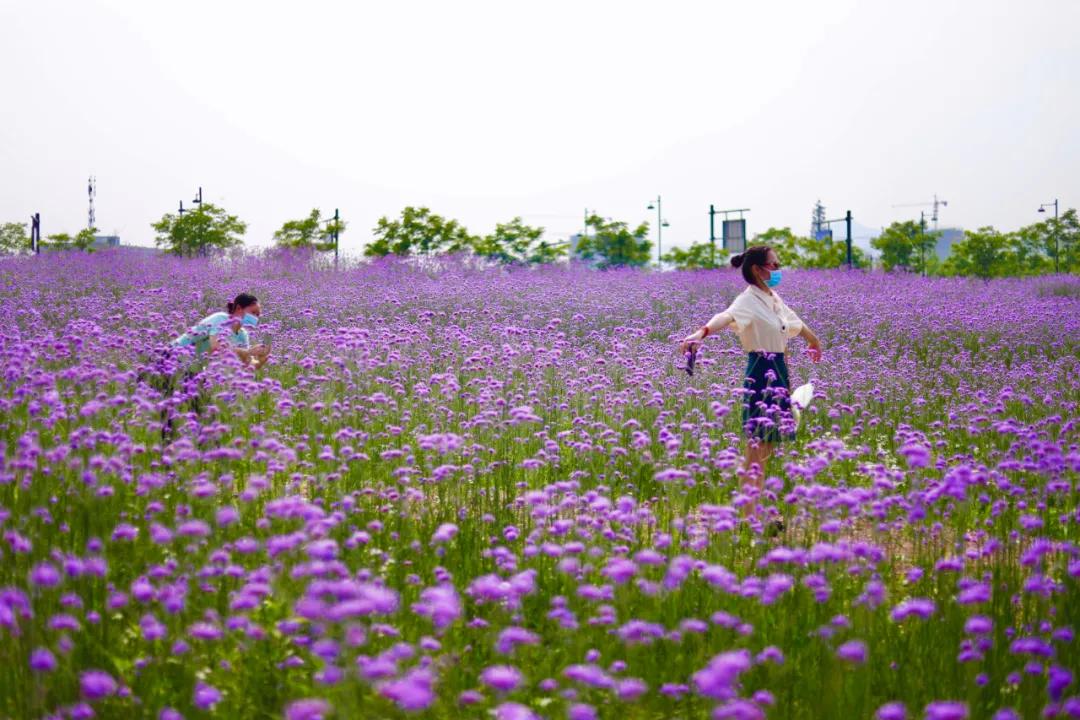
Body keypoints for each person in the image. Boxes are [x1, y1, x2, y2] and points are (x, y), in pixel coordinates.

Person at [679, 245, 823, 493]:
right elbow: (726, 316)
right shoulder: (747, 300)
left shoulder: (772, 298)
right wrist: (702, 332)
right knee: (757, 447)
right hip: (761, 371)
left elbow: (793, 322)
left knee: (768, 444)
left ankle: (754, 503)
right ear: (757, 269)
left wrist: (814, 340)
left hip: (779, 370)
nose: (778, 269)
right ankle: (748, 507)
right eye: (774, 265)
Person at [173, 293, 270, 368]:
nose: (255, 317)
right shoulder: (221, 319)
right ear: (239, 308)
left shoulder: (242, 334)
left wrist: (260, 360)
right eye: (253, 312)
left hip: (193, 367)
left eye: (258, 315)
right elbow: (217, 348)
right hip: (174, 358)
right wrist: (248, 352)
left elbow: (246, 364)